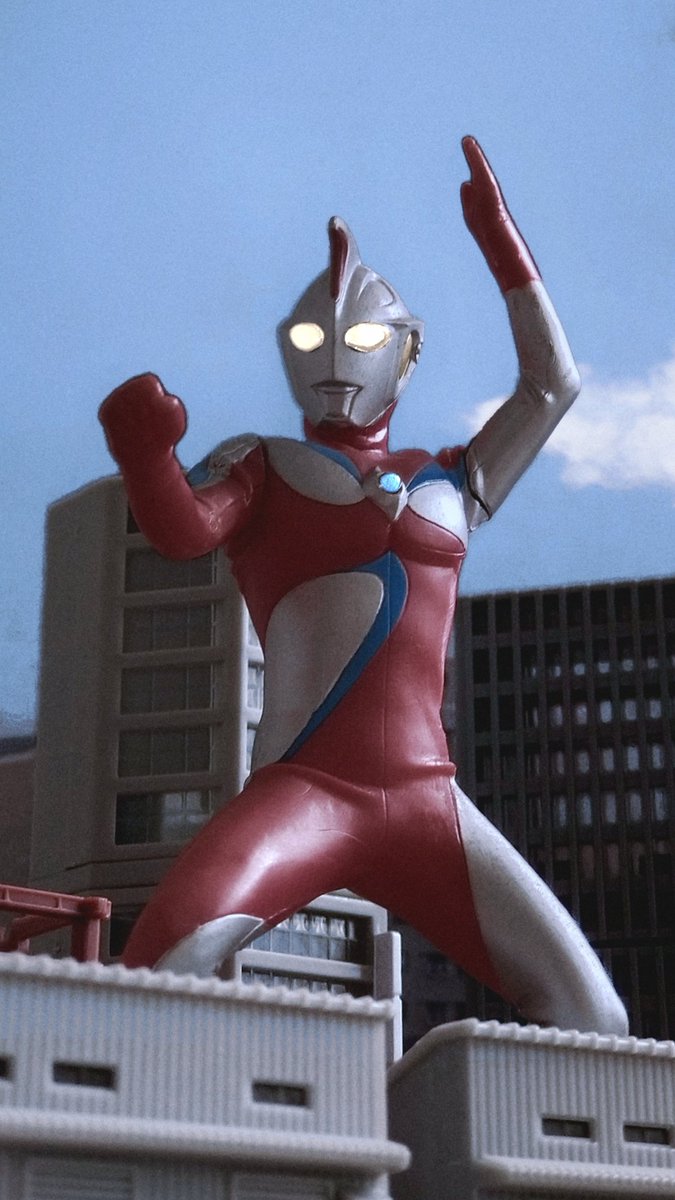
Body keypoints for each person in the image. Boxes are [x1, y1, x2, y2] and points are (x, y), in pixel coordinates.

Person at [100, 137, 628, 1034]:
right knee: (157, 969)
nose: (336, 357)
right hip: (303, 789)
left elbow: (551, 386)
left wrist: (501, 242)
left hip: (428, 799)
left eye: (363, 338)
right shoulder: (260, 464)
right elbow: (183, 531)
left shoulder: (450, 479)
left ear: (407, 353)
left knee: (591, 1014)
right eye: (311, 338)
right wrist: (146, 457)